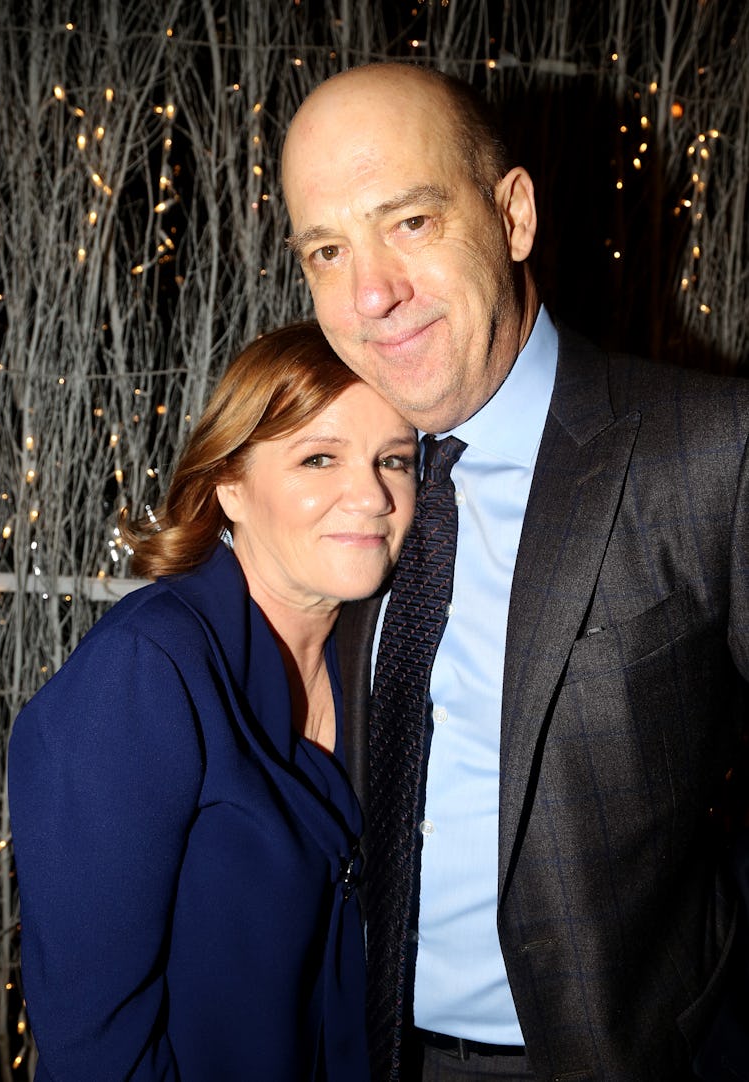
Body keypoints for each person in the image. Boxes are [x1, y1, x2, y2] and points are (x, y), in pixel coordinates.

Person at [281, 63, 749, 1082]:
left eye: (408, 221)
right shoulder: (332, 486)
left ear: (513, 214)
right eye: (327, 248)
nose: (370, 293)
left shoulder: (710, 449)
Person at [8, 321, 418, 1082]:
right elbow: (94, 1048)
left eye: (393, 459)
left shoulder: (385, 659)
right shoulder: (144, 673)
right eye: (319, 457)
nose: (371, 495)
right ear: (229, 483)